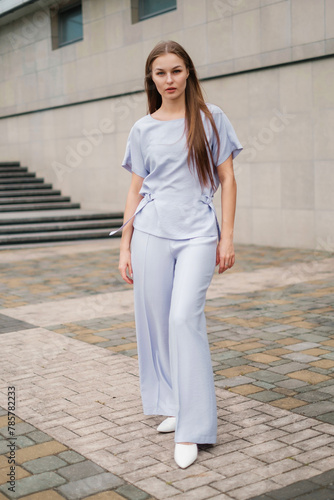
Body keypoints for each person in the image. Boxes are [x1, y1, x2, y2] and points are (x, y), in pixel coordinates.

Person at [110, 40, 243, 469]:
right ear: (151, 79)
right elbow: (135, 190)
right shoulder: (142, 128)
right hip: (150, 232)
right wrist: (125, 245)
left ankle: (194, 427)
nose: (169, 80)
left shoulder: (210, 118)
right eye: (161, 73)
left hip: (198, 235)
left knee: (184, 318)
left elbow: (228, 178)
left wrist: (227, 237)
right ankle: (173, 405)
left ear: (189, 73)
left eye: (176, 70)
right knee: (156, 324)